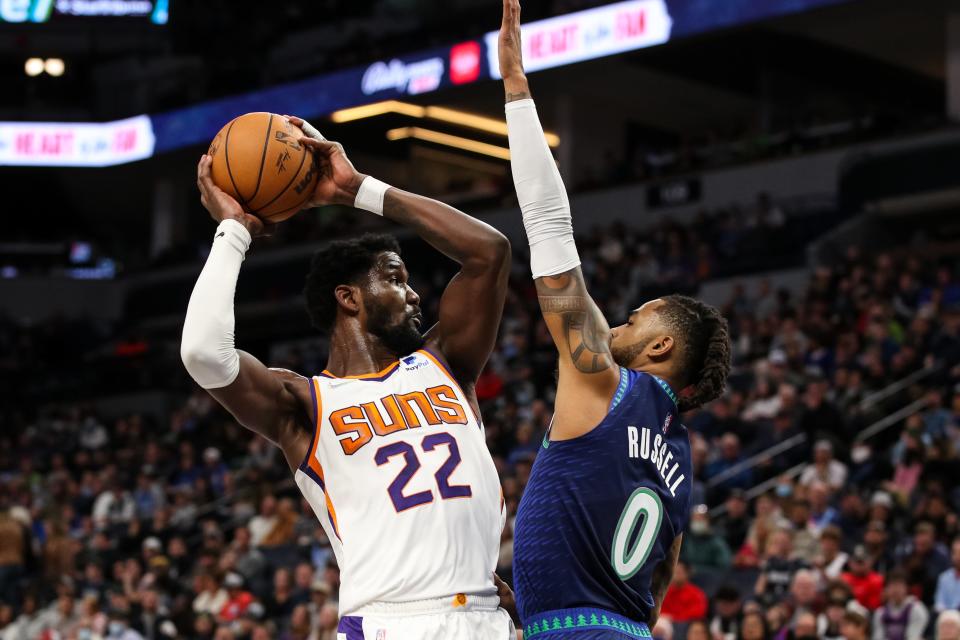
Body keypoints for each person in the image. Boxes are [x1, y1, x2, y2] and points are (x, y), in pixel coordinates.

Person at [182, 108, 513, 636]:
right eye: (396, 278)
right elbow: (203, 355)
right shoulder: (305, 404)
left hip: (484, 616)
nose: (413, 293)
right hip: (388, 622)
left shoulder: (445, 363)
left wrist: (358, 189)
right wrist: (234, 232)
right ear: (349, 298)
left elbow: (488, 252)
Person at [499, 1, 731, 637]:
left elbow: (549, 229)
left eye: (632, 320)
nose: (615, 327)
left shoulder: (604, 381)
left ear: (659, 347)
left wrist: (518, 94)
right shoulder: (680, 460)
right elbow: (656, 583)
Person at [872, 571, 929, 640]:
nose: (895, 590)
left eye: (899, 586)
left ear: (906, 588)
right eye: (892, 586)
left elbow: (913, 637)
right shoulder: (880, 613)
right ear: (886, 589)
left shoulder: (917, 610)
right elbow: (878, 637)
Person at [934, 537, 960, 612]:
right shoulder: (944, 577)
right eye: (955, 553)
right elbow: (939, 603)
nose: (958, 557)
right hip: (946, 617)